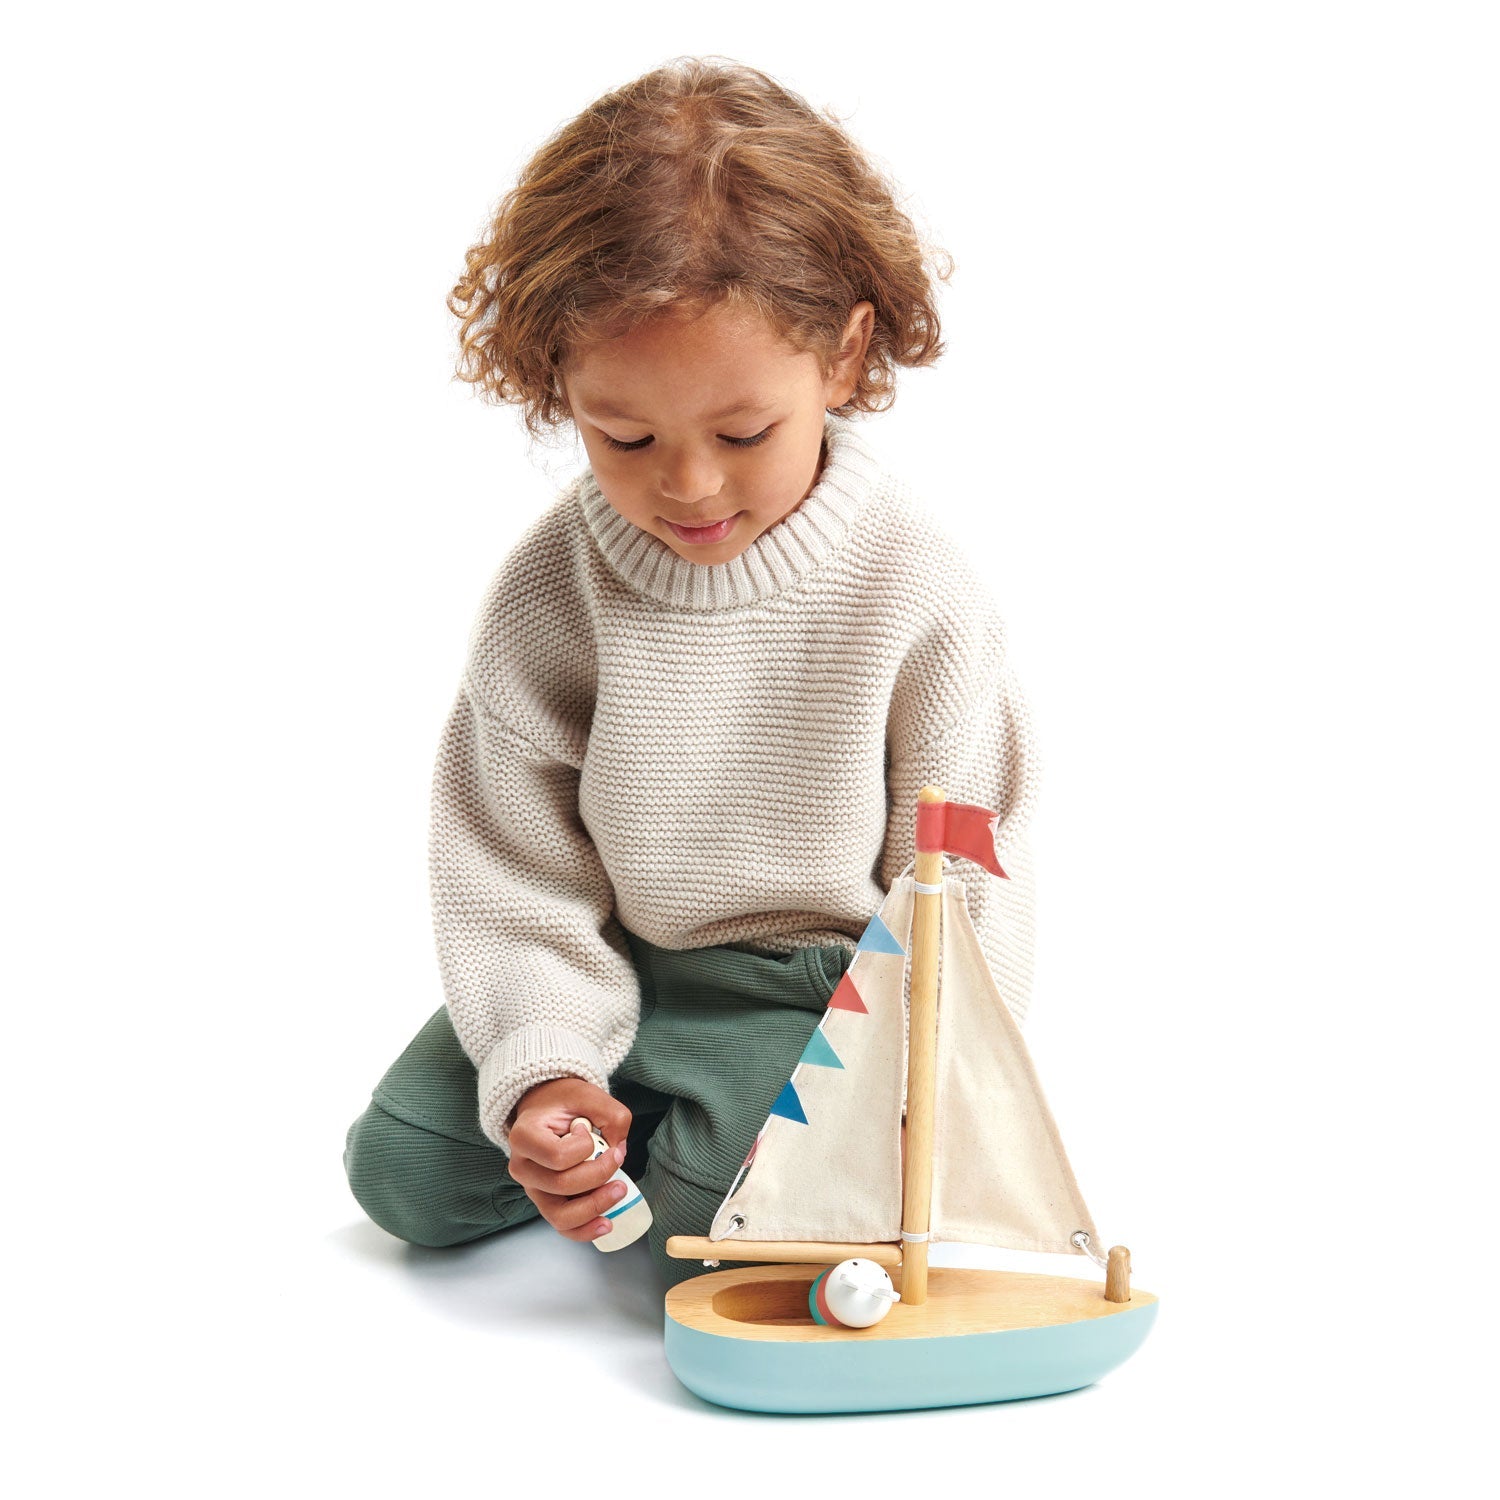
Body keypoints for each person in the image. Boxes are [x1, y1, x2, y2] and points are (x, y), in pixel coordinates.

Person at [343, 56, 1041, 1288]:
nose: (688, 484)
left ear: (842, 357)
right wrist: (548, 1065)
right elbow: (510, 865)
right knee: (404, 1166)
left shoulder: (915, 590)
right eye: (624, 435)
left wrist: (920, 1086)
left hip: (820, 996)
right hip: (611, 959)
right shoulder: (551, 591)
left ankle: (705, 1148)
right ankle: (647, 1121)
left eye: (742, 431)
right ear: (560, 384)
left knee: (695, 1231)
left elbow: (964, 880)